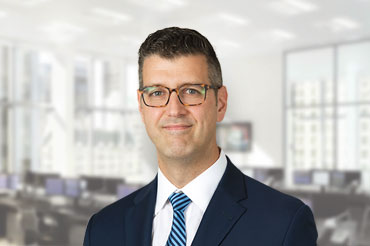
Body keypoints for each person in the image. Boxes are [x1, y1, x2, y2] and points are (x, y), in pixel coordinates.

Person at [83, 27, 318, 246]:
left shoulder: (284, 223)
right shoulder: (103, 229)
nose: (174, 110)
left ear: (221, 103)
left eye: (191, 91)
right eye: (156, 93)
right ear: (142, 107)